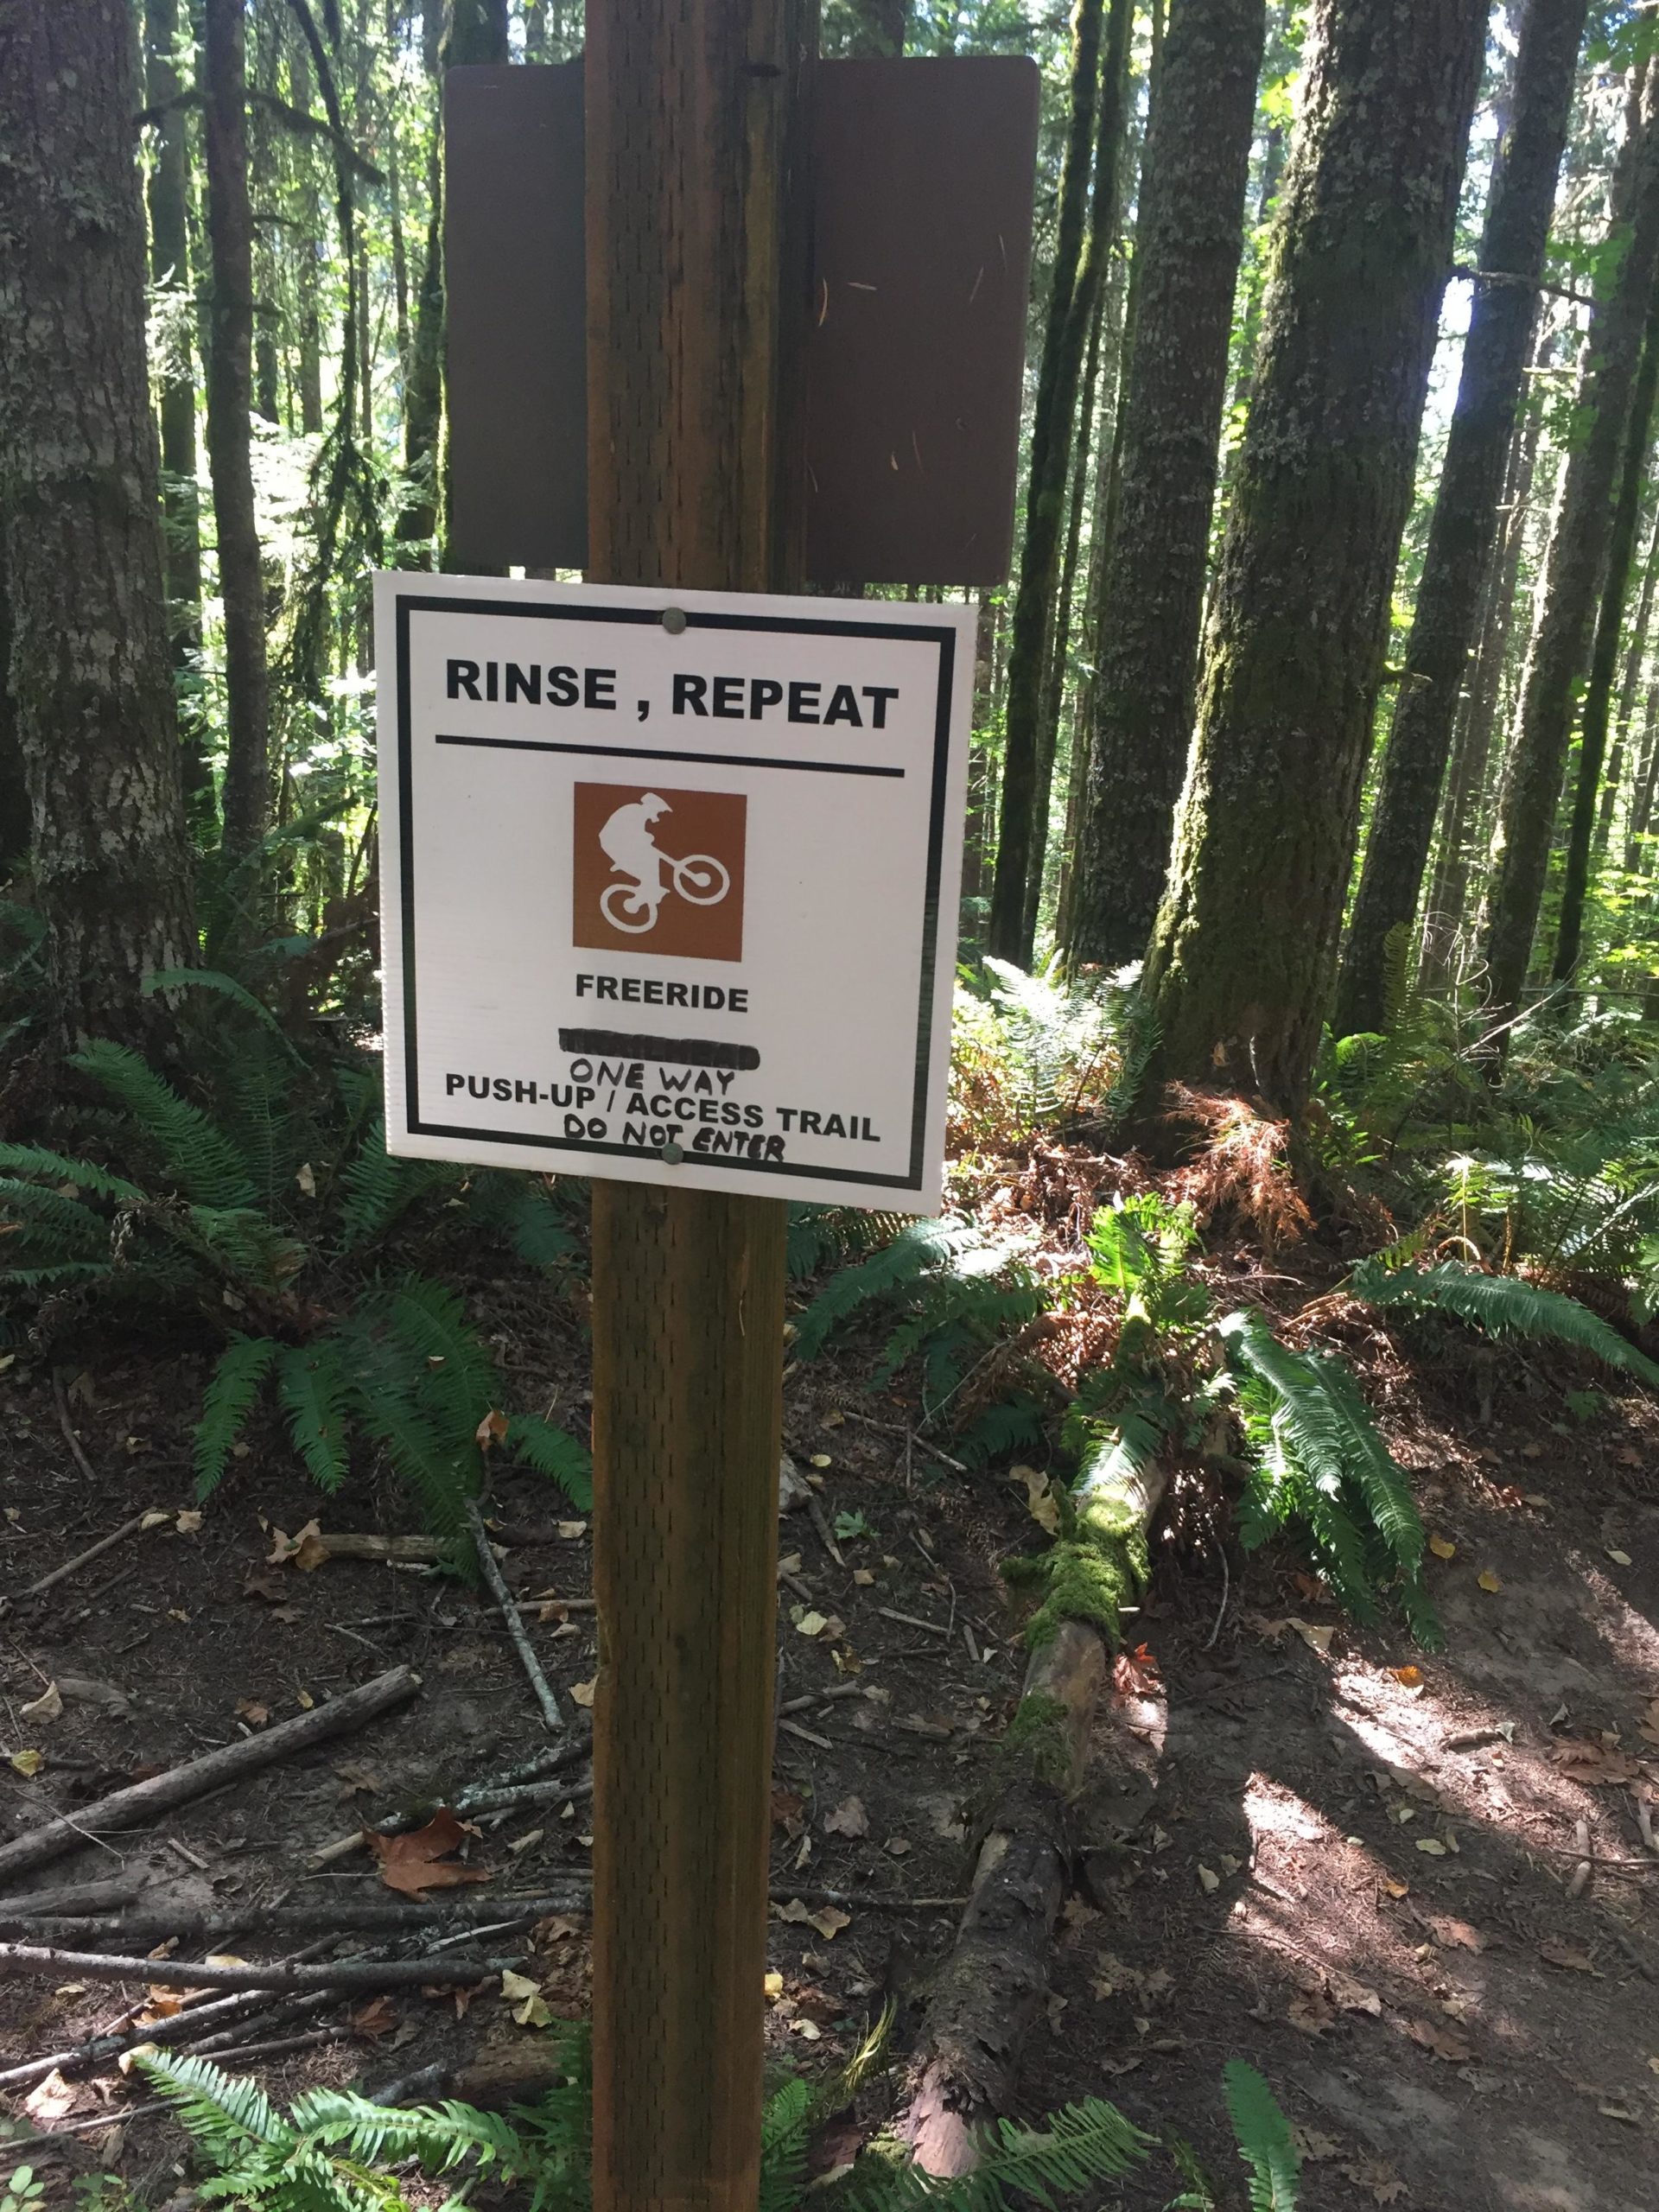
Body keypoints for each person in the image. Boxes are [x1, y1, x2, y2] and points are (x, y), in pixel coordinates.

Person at [598, 791, 672, 922]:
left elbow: (636, 833)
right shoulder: (635, 811)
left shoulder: (638, 813)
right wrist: (646, 838)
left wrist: (645, 837)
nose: (657, 816)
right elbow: (630, 832)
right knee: (649, 860)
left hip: (620, 843)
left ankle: (650, 889)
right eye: (658, 811)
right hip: (615, 843)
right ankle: (647, 890)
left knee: (651, 858)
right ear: (651, 807)